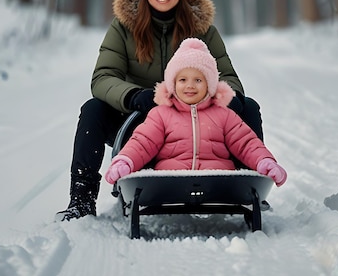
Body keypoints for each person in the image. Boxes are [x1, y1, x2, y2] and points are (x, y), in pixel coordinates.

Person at [56, 0, 265, 221]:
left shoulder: (203, 29)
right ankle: (81, 199)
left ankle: (248, 187)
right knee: (93, 109)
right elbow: (103, 77)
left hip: (194, 124)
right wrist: (133, 96)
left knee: (248, 106)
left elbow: (227, 75)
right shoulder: (123, 27)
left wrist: (229, 96)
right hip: (139, 123)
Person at [104, 38, 287, 186]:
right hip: (170, 181)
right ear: (172, 83)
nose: (190, 85)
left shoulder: (223, 114)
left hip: (218, 179)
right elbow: (143, 143)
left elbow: (246, 143)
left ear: (210, 84)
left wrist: (265, 161)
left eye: (198, 80)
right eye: (182, 79)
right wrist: (125, 161)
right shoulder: (161, 114)